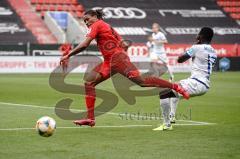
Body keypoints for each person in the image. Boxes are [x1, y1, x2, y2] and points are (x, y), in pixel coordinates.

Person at [60, 9, 189, 127]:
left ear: (95, 16)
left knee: (142, 82)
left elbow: (85, 44)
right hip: (109, 61)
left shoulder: (97, 24)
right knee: (89, 82)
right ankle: (90, 119)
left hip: (118, 60)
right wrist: (121, 49)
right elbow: (123, 42)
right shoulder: (107, 26)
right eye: (84, 21)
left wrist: (68, 55)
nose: (86, 22)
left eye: (88, 19)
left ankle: (175, 86)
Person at [153, 27, 217, 131]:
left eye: (198, 34)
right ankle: (172, 116)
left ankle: (167, 124)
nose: (197, 35)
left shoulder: (197, 47)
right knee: (174, 92)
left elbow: (180, 59)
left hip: (196, 82)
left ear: (201, 36)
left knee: (164, 91)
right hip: (204, 85)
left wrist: (194, 46)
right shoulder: (214, 51)